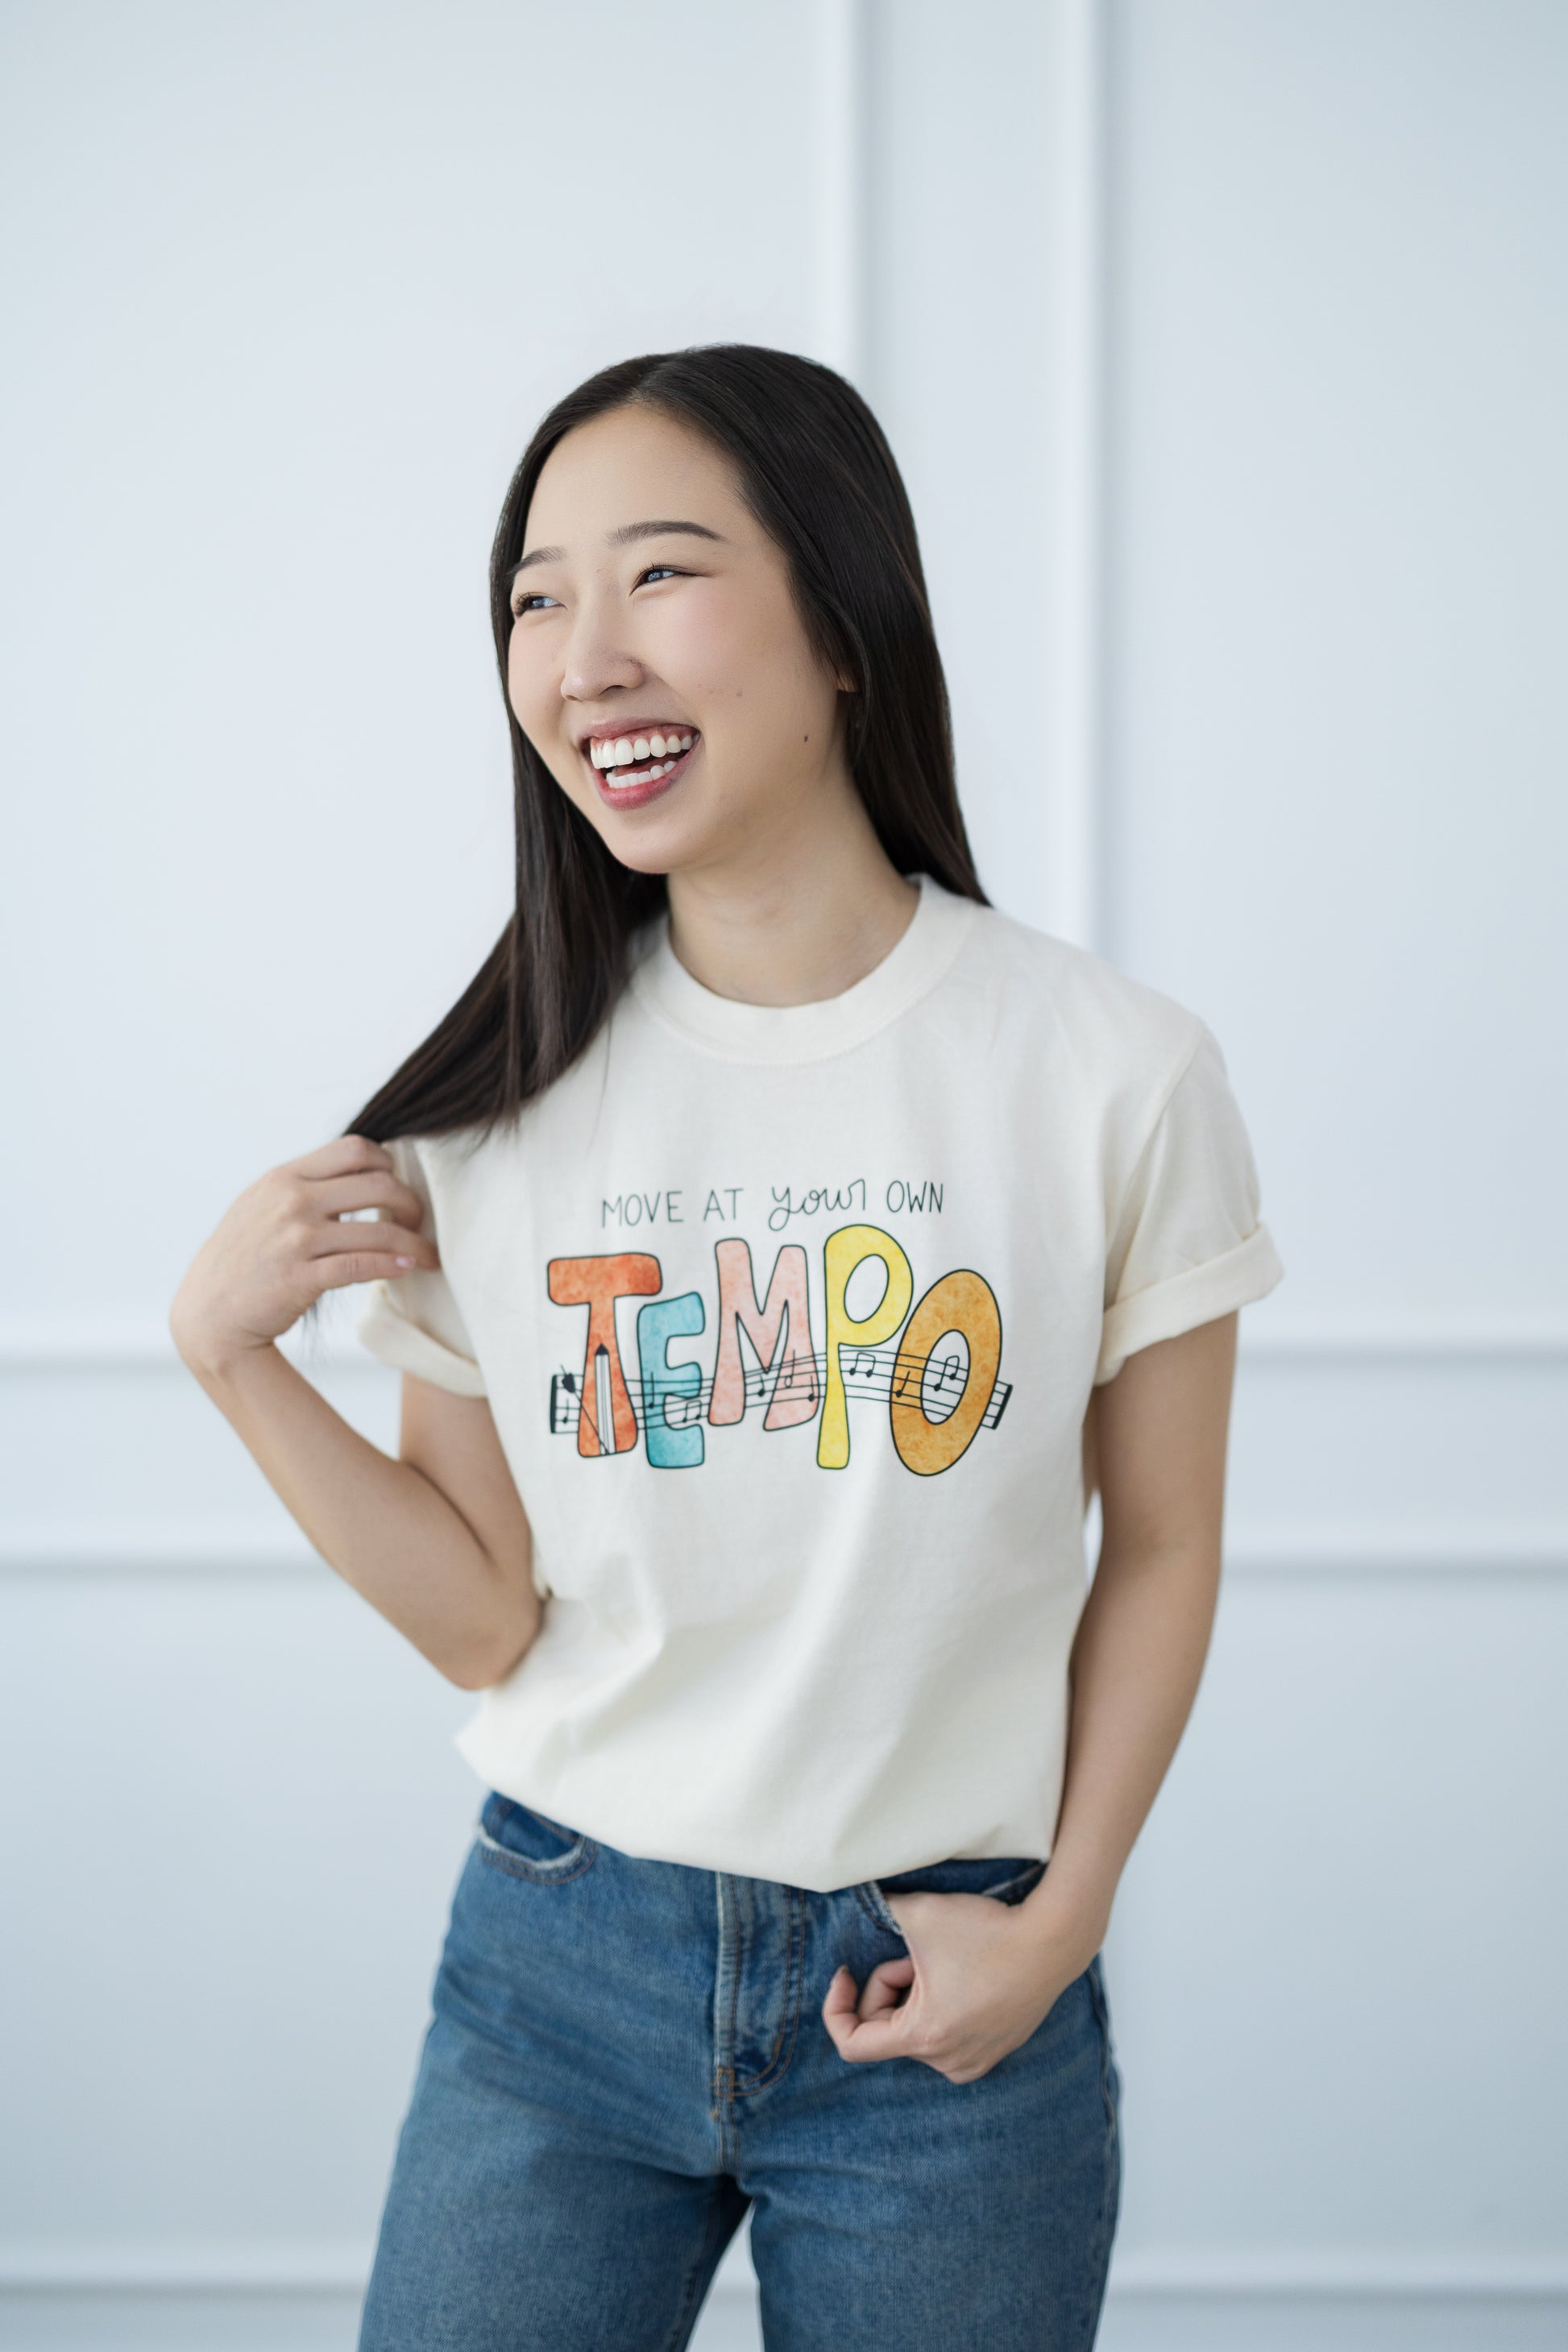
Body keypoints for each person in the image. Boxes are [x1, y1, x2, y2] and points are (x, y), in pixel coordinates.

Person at [170, 342, 1284, 2352]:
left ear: (844, 624)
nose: (581, 654)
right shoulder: (493, 1106)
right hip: (556, 1960)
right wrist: (235, 1363)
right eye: (533, 595)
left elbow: (1169, 1541)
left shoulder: (1109, 1071)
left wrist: (1065, 1914)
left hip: (942, 1992)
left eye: (658, 574)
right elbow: (486, 1617)